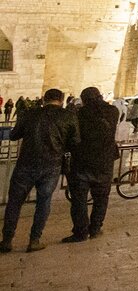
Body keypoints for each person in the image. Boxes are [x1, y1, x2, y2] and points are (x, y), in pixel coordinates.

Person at [1, 88, 80, 254]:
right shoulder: (68, 116)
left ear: (44, 99)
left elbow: (14, 135)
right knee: (43, 203)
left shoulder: (30, 114)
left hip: (26, 164)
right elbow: (75, 141)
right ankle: (34, 240)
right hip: (52, 165)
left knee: (14, 203)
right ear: (61, 99)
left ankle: (7, 240)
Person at [63, 87, 118, 243]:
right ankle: (95, 228)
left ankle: (80, 232)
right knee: (101, 198)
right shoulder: (113, 111)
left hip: (82, 162)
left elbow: (72, 137)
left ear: (84, 99)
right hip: (105, 162)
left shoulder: (79, 114)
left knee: (79, 199)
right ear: (100, 96)